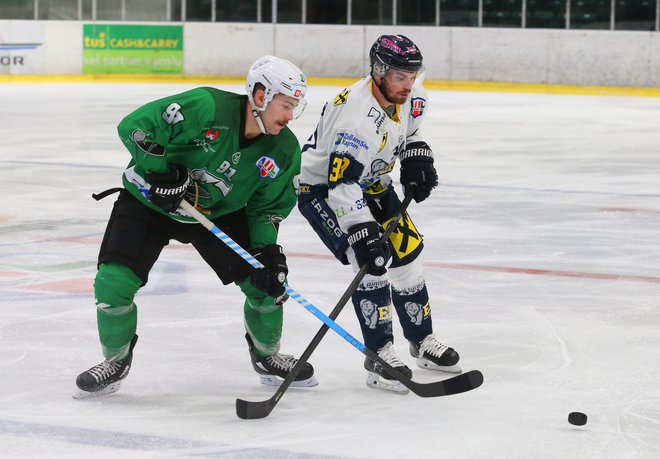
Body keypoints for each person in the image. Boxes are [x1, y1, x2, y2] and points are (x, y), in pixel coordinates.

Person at [75, 55, 318, 398]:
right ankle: (115, 361)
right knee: (113, 284)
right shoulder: (205, 107)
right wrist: (161, 172)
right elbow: (135, 126)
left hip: (218, 213)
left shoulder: (283, 150)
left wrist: (267, 250)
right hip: (150, 203)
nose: (291, 116)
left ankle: (267, 357)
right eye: (286, 105)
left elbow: (265, 209)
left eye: (296, 107)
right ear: (261, 96)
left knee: (266, 284)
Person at [297, 35, 460, 393]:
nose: (408, 84)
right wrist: (362, 231)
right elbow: (341, 184)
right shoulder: (356, 117)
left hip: (372, 183)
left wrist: (417, 158)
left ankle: (421, 342)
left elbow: (410, 132)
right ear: (379, 70)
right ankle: (379, 355)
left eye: (413, 75)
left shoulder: (413, 96)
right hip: (325, 190)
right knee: (372, 264)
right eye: (401, 76)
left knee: (408, 259)